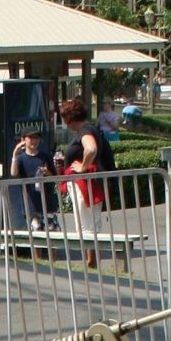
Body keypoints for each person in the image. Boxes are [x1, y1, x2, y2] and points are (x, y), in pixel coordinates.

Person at [55, 97, 117, 268]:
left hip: (86, 185)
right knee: (90, 223)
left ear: (69, 119)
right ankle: (91, 261)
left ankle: (91, 262)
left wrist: (83, 167)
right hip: (89, 185)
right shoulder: (91, 129)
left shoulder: (85, 131)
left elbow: (91, 149)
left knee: (87, 225)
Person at [9, 128, 58, 231]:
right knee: (36, 238)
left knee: (53, 235)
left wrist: (47, 173)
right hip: (31, 205)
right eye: (31, 138)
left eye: (36, 138)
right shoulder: (21, 158)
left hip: (47, 203)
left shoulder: (45, 156)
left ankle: (51, 248)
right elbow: (13, 173)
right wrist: (14, 154)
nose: (34, 141)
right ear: (23, 140)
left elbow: (55, 177)